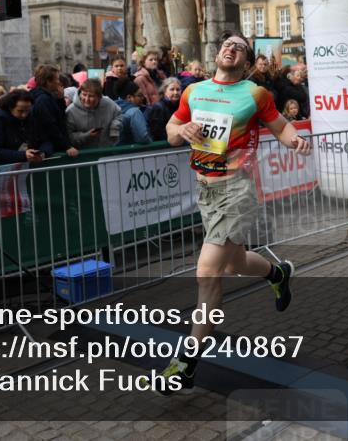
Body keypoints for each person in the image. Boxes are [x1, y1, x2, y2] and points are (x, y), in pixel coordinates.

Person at [154, 31, 310, 392]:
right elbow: (171, 131)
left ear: (247, 60)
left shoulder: (255, 94)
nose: (231, 48)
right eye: (227, 44)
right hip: (205, 189)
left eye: (239, 47)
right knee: (235, 263)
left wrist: (295, 140)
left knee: (207, 271)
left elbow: (280, 127)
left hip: (238, 189)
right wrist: (183, 129)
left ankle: (187, 363)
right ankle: (277, 273)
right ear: (217, 53)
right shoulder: (194, 91)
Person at [28, 64, 79, 158]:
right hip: (45, 145)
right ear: (48, 82)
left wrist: (60, 99)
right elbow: (52, 126)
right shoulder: (43, 100)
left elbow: (60, 116)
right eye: (57, 79)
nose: (59, 82)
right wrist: (66, 146)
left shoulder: (48, 97)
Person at [0, 89, 44, 164]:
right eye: (20, 111)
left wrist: (43, 153)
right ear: (10, 107)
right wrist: (23, 155)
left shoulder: (32, 117)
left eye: (27, 110)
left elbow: (44, 139)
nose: (24, 115)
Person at [67, 79, 123, 148]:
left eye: (91, 96)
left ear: (99, 97)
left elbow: (119, 115)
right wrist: (87, 135)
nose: (86, 99)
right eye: (84, 94)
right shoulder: (71, 111)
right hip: (84, 154)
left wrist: (114, 127)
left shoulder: (109, 103)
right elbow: (68, 136)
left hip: (107, 150)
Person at [114, 78, 153, 145]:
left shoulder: (112, 109)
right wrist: (151, 143)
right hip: (133, 152)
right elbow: (143, 138)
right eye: (139, 95)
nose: (143, 98)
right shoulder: (134, 112)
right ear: (129, 97)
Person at [146, 77, 182, 142]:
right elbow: (157, 133)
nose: (175, 92)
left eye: (178, 89)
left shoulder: (182, 107)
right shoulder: (158, 107)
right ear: (165, 91)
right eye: (172, 89)